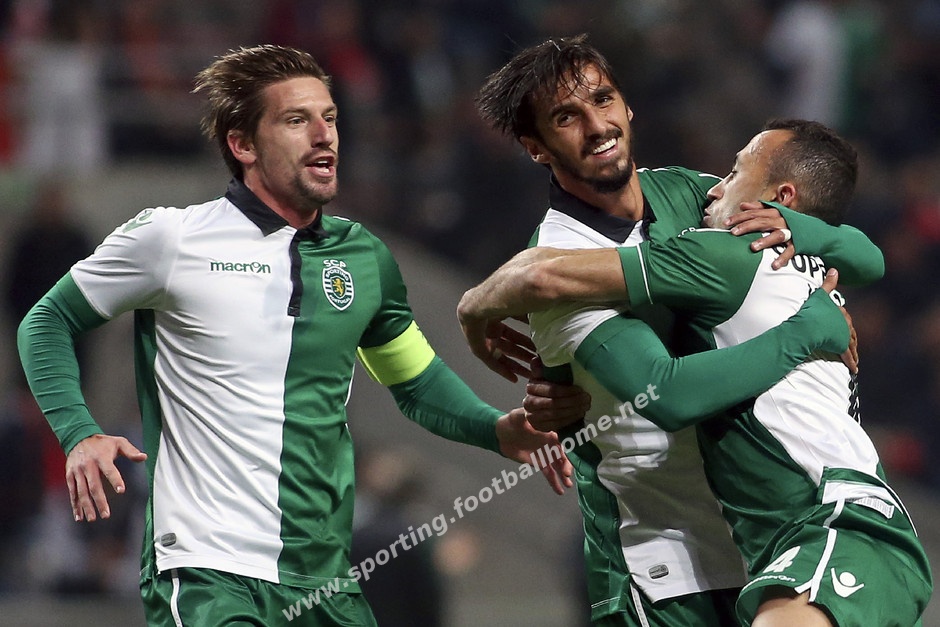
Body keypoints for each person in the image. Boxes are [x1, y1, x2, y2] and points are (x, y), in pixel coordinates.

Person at [16, 44, 582, 626]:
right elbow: (47, 320)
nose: (323, 135)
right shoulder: (171, 239)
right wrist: (79, 432)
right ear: (243, 145)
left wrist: (493, 428)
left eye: (329, 117)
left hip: (325, 581)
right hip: (212, 574)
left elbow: (414, 379)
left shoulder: (364, 257)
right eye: (296, 120)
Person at [459, 42, 931, 624]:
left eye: (603, 99)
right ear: (536, 147)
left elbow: (861, 254)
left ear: (627, 105)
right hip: (664, 568)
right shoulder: (559, 264)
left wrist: (798, 230)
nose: (596, 125)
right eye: (565, 117)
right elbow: (664, 392)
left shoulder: (690, 194)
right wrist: (804, 332)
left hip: (756, 546)